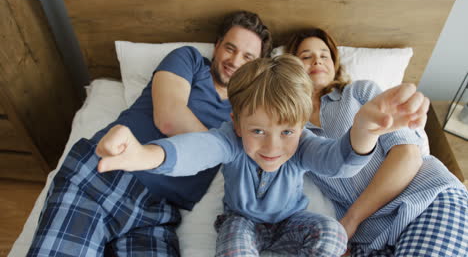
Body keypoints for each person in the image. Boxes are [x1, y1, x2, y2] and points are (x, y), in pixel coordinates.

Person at [96, 54, 430, 257]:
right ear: (237, 124)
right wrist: (145, 155)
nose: (272, 148)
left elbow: (336, 162)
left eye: (287, 131)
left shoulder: (303, 144)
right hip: (242, 220)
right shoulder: (229, 140)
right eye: (258, 131)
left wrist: (363, 132)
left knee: (334, 234)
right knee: (233, 248)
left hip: (291, 221)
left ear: (301, 126)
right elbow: (196, 149)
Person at [27, 11, 272, 257]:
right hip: (105, 176)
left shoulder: (246, 110)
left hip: (158, 212)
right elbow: (168, 117)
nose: (235, 60)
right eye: (230, 48)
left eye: (248, 57)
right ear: (217, 45)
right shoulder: (190, 60)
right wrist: (221, 147)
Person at [285, 27, 468, 256]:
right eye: (306, 56)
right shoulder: (289, 128)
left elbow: (408, 155)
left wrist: (351, 220)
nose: (317, 61)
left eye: (325, 55)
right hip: (369, 240)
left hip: (424, 201)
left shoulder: (360, 92)